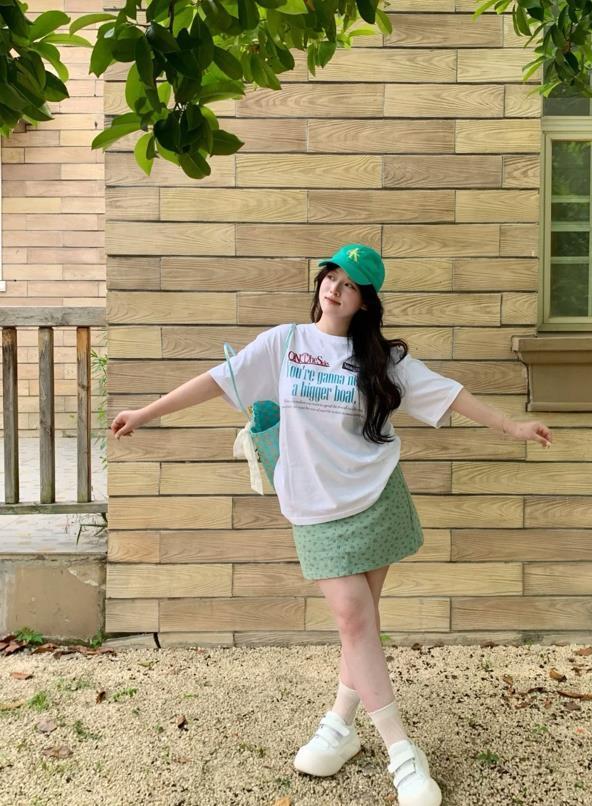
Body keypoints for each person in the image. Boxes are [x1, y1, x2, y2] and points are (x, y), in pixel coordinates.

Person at [111, 243, 552, 806]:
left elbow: (448, 393)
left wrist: (512, 427)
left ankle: (341, 726)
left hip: (376, 495)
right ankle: (401, 751)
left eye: (350, 284)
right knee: (354, 619)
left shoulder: (380, 360)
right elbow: (217, 380)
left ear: (365, 301)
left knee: (357, 624)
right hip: (314, 506)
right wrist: (145, 413)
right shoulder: (286, 343)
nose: (335, 288)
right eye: (332, 276)